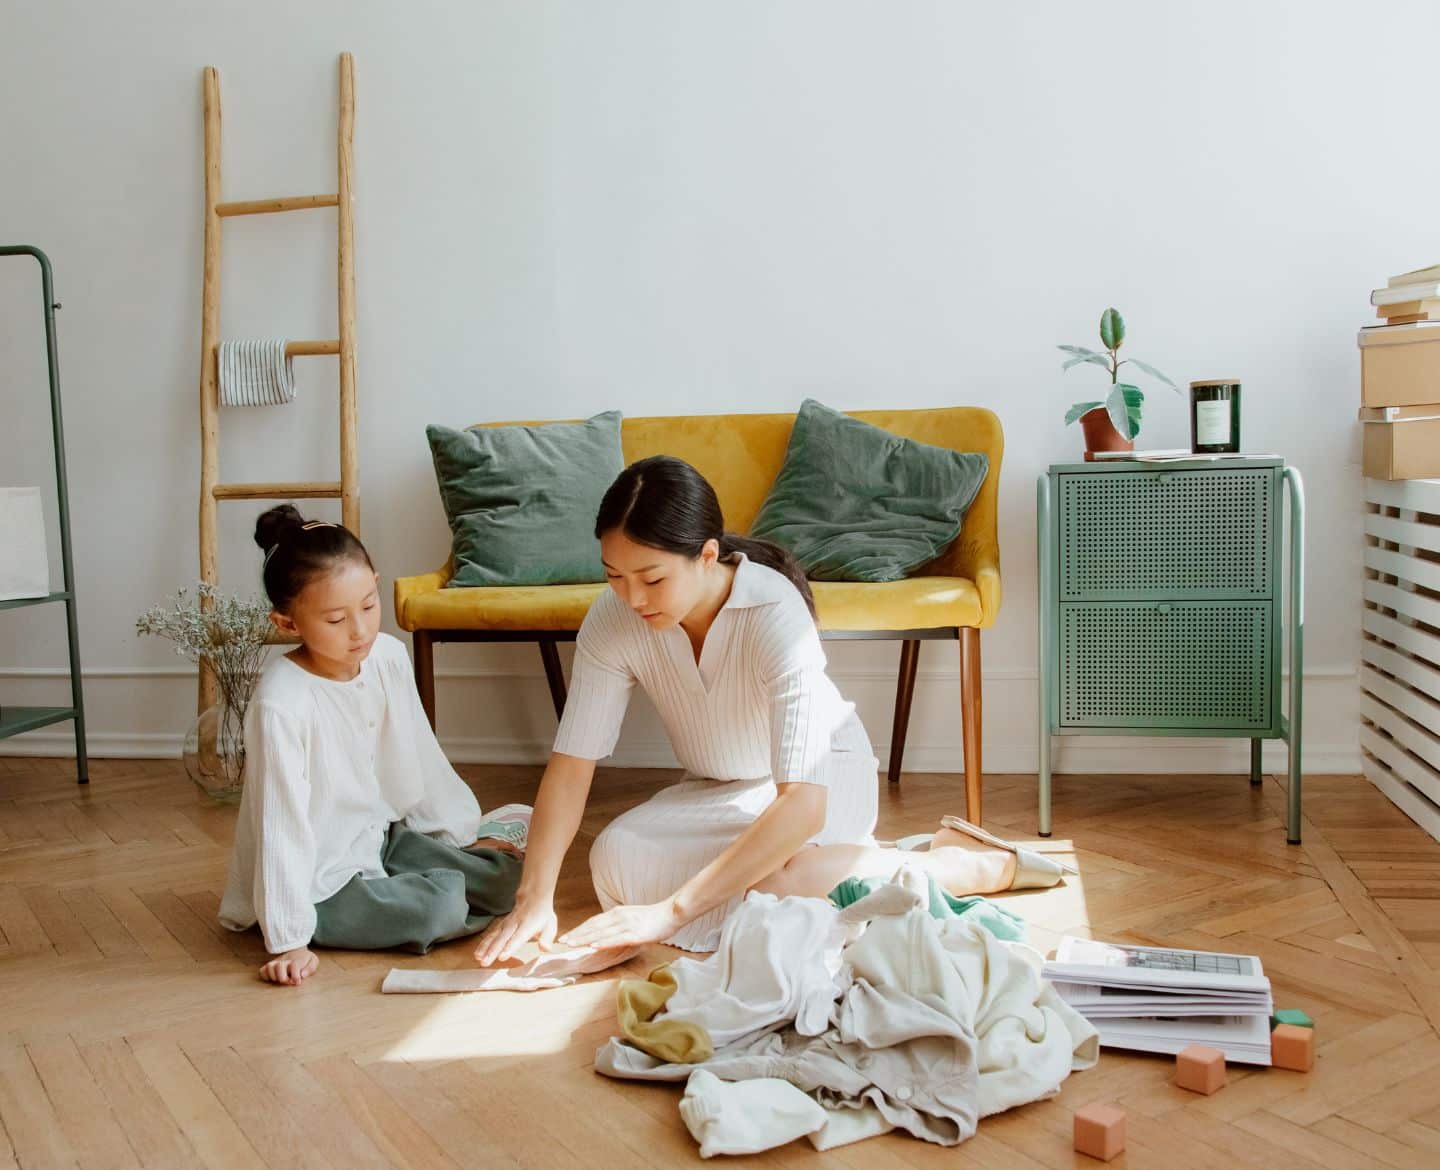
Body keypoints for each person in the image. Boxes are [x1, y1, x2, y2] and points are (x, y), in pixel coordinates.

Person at [474, 456, 1066, 962]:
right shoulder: (614, 619)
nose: (631, 597)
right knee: (617, 864)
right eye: (615, 577)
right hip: (720, 786)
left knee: (783, 885)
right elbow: (573, 765)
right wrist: (535, 898)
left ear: (707, 555)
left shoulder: (773, 612)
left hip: (819, 779)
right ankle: (859, 866)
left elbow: (803, 804)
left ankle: (965, 868)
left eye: (651, 578)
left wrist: (671, 913)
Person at [219, 505, 526, 985]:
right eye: (337, 619)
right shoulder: (281, 703)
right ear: (288, 624)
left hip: (380, 837)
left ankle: (433, 881)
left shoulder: (387, 657)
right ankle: (420, 896)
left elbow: (417, 755)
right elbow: (278, 823)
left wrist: (454, 835)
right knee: (439, 908)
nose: (361, 630)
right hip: (321, 877)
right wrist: (289, 938)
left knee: (506, 881)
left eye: (368, 604)